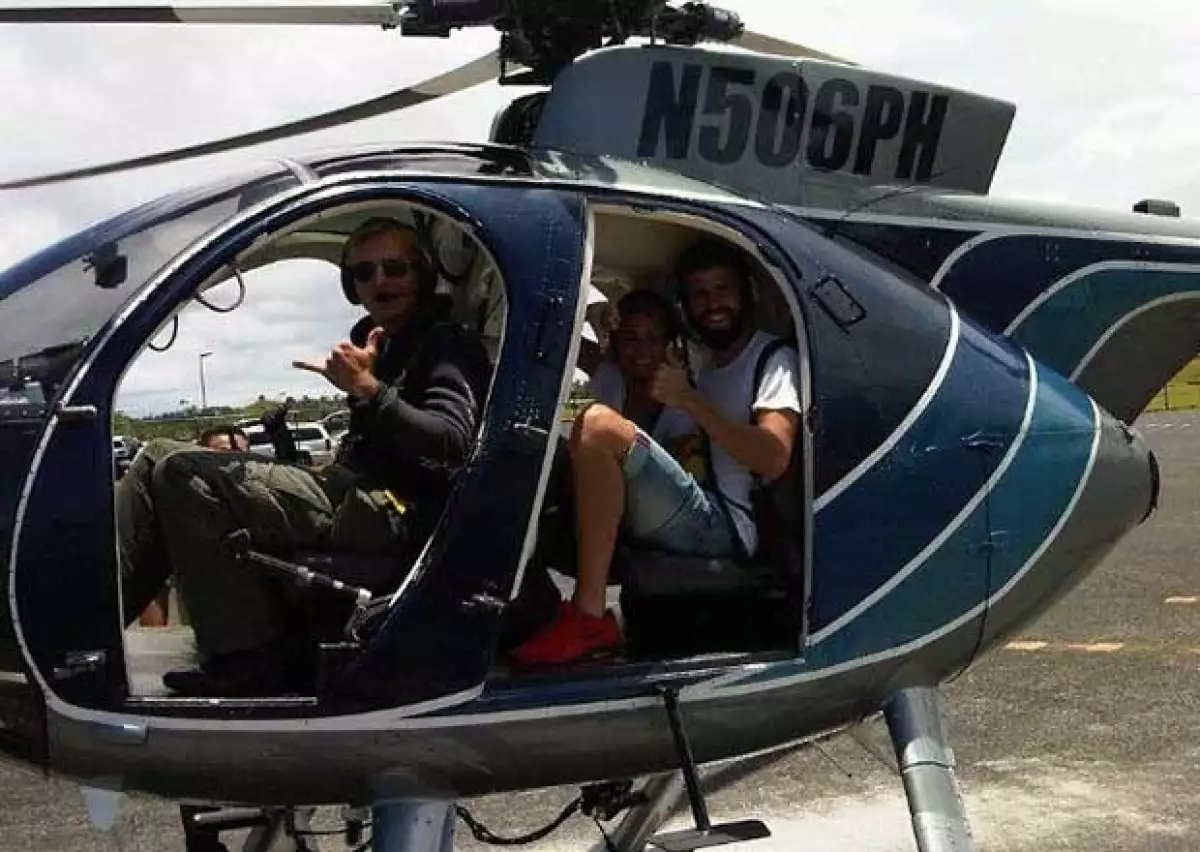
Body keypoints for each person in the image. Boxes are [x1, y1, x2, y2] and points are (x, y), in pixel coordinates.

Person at [115, 216, 492, 696]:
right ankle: (88, 626)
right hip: (354, 493)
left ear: (420, 274)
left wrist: (368, 390)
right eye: (364, 272)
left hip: (391, 509)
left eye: (395, 268)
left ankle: (251, 654)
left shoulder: (446, 343)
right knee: (155, 454)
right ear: (351, 286)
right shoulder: (384, 345)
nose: (380, 280)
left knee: (183, 471)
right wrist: (369, 387)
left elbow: (452, 445)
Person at [511, 238, 802, 667]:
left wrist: (691, 402)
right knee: (544, 453)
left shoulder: (773, 358)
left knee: (597, 426)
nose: (713, 303)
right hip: (690, 505)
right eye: (700, 295)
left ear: (747, 294)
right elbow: (617, 355)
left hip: (725, 524)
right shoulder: (706, 361)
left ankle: (589, 617)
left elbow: (774, 456)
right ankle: (523, 598)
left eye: (723, 290)